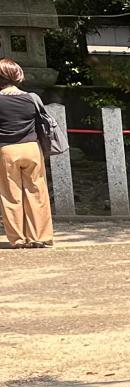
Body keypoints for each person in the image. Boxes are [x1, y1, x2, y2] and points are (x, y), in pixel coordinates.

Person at [0, 58, 57, 248]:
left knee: (11, 195)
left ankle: (17, 239)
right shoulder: (32, 98)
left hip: (6, 150)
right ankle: (40, 237)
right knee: (37, 191)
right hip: (32, 148)